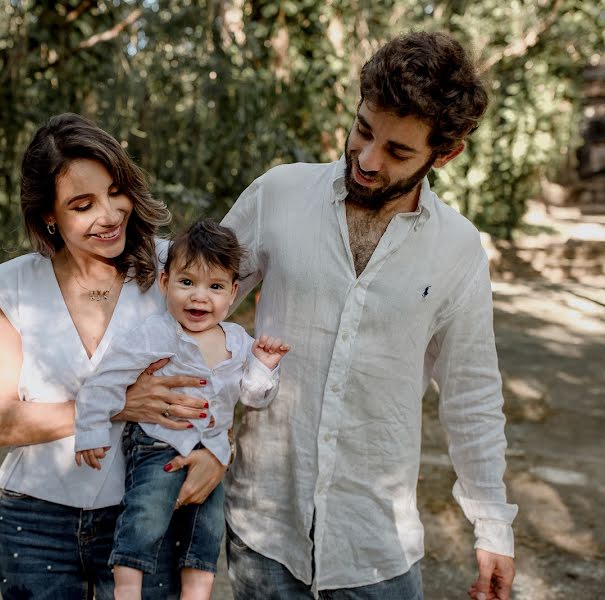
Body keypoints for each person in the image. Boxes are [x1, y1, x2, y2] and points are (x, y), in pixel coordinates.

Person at [220, 31, 518, 600]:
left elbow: (471, 393)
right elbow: (194, 319)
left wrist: (493, 526)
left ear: (445, 154)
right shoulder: (278, 194)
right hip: (264, 527)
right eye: (362, 129)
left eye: (398, 151)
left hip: (375, 546)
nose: (367, 158)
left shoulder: (457, 247)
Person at [0, 113, 227, 600]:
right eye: (82, 204)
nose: (110, 214)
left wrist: (221, 452)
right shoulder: (16, 286)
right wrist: (118, 402)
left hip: (145, 510)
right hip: (36, 519)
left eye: (116, 191)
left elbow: (223, 371)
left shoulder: (171, 272)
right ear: (49, 216)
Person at [74, 219, 290, 600]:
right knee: (145, 518)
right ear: (164, 283)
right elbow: (104, 381)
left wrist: (264, 367)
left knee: (205, 535)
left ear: (233, 292)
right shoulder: (155, 334)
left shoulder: (238, 341)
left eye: (216, 287)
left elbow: (254, 397)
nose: (199, 297)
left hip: (212, 452)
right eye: (187, 282)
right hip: (159, 444)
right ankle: (127, 589)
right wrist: (90, 432)